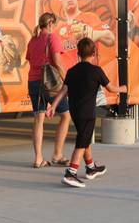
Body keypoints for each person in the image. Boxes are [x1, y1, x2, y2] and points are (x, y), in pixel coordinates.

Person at [46, 38, 126, 188]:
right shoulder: (96, 71)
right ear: (94, 53)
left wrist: (53, 105)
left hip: (75, 112)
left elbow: (63, 91)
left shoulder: (71, 71)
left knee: (85, 137)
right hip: (88, 113)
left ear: (78, 54)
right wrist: (123, 89)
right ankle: (71, 172)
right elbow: (111, 89)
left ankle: (90, 167)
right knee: (82, 141)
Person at [24, 12, 71, 168]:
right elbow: (57, 62)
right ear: (50, 23)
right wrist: (67, 80)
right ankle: (57, 154)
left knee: (39, 119)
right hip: (50, 83)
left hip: (34, 81)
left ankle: (38, 158)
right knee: (65, 115)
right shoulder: (52, 38)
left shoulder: (32, 40)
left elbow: (30, 60)